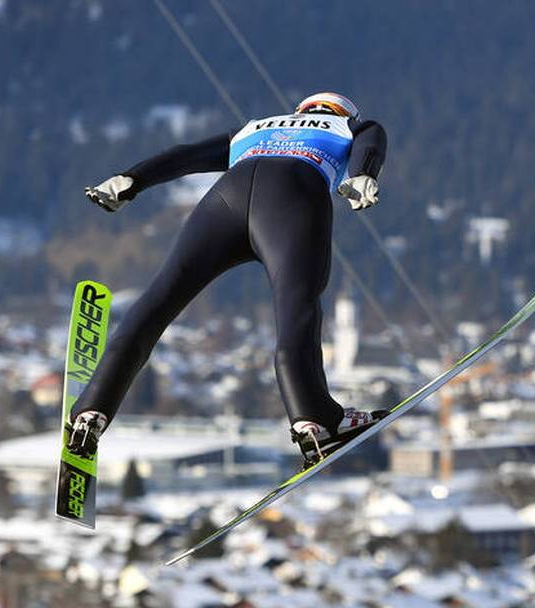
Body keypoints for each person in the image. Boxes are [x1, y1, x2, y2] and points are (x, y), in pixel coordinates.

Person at [66, 91, 387, 465]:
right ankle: (315, 418)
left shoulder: (253, 129)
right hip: (293, 195)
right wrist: (364, 174)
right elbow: (370, 140)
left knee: (161, 297)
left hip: (224, 200)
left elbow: (186, 155)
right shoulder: (348, 125)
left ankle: (91, 411)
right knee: (296, 305)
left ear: (299, 111)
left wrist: (132, 179)